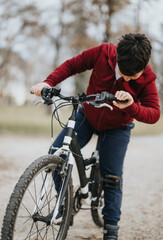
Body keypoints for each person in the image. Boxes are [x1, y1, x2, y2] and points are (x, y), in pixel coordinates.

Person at [31, 33, 160, 240]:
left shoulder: (147, 77)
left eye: (132, 77)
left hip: (118, 126)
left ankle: (110, 227)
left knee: (112, 178)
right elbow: (72, 65)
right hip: (88, 115)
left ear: (144, 67)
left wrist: (132, 106)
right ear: (116, 57)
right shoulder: (103, 53)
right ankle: (63, 204)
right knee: (56, 152)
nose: (126, 79)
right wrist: (47, 83)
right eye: (123, 74)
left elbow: (154, 113)